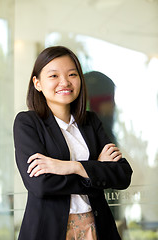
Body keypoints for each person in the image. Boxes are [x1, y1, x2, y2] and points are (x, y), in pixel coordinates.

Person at [13, 46, 133, 240]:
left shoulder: (91, 122)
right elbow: (41, 185)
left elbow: (122, 175)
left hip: (96, 228)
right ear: (37, 83)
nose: (65, 82)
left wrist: (71, 167)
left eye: (72, 74)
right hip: (50, 230)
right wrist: (95, 170)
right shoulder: (27, 123)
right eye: (53, 76)